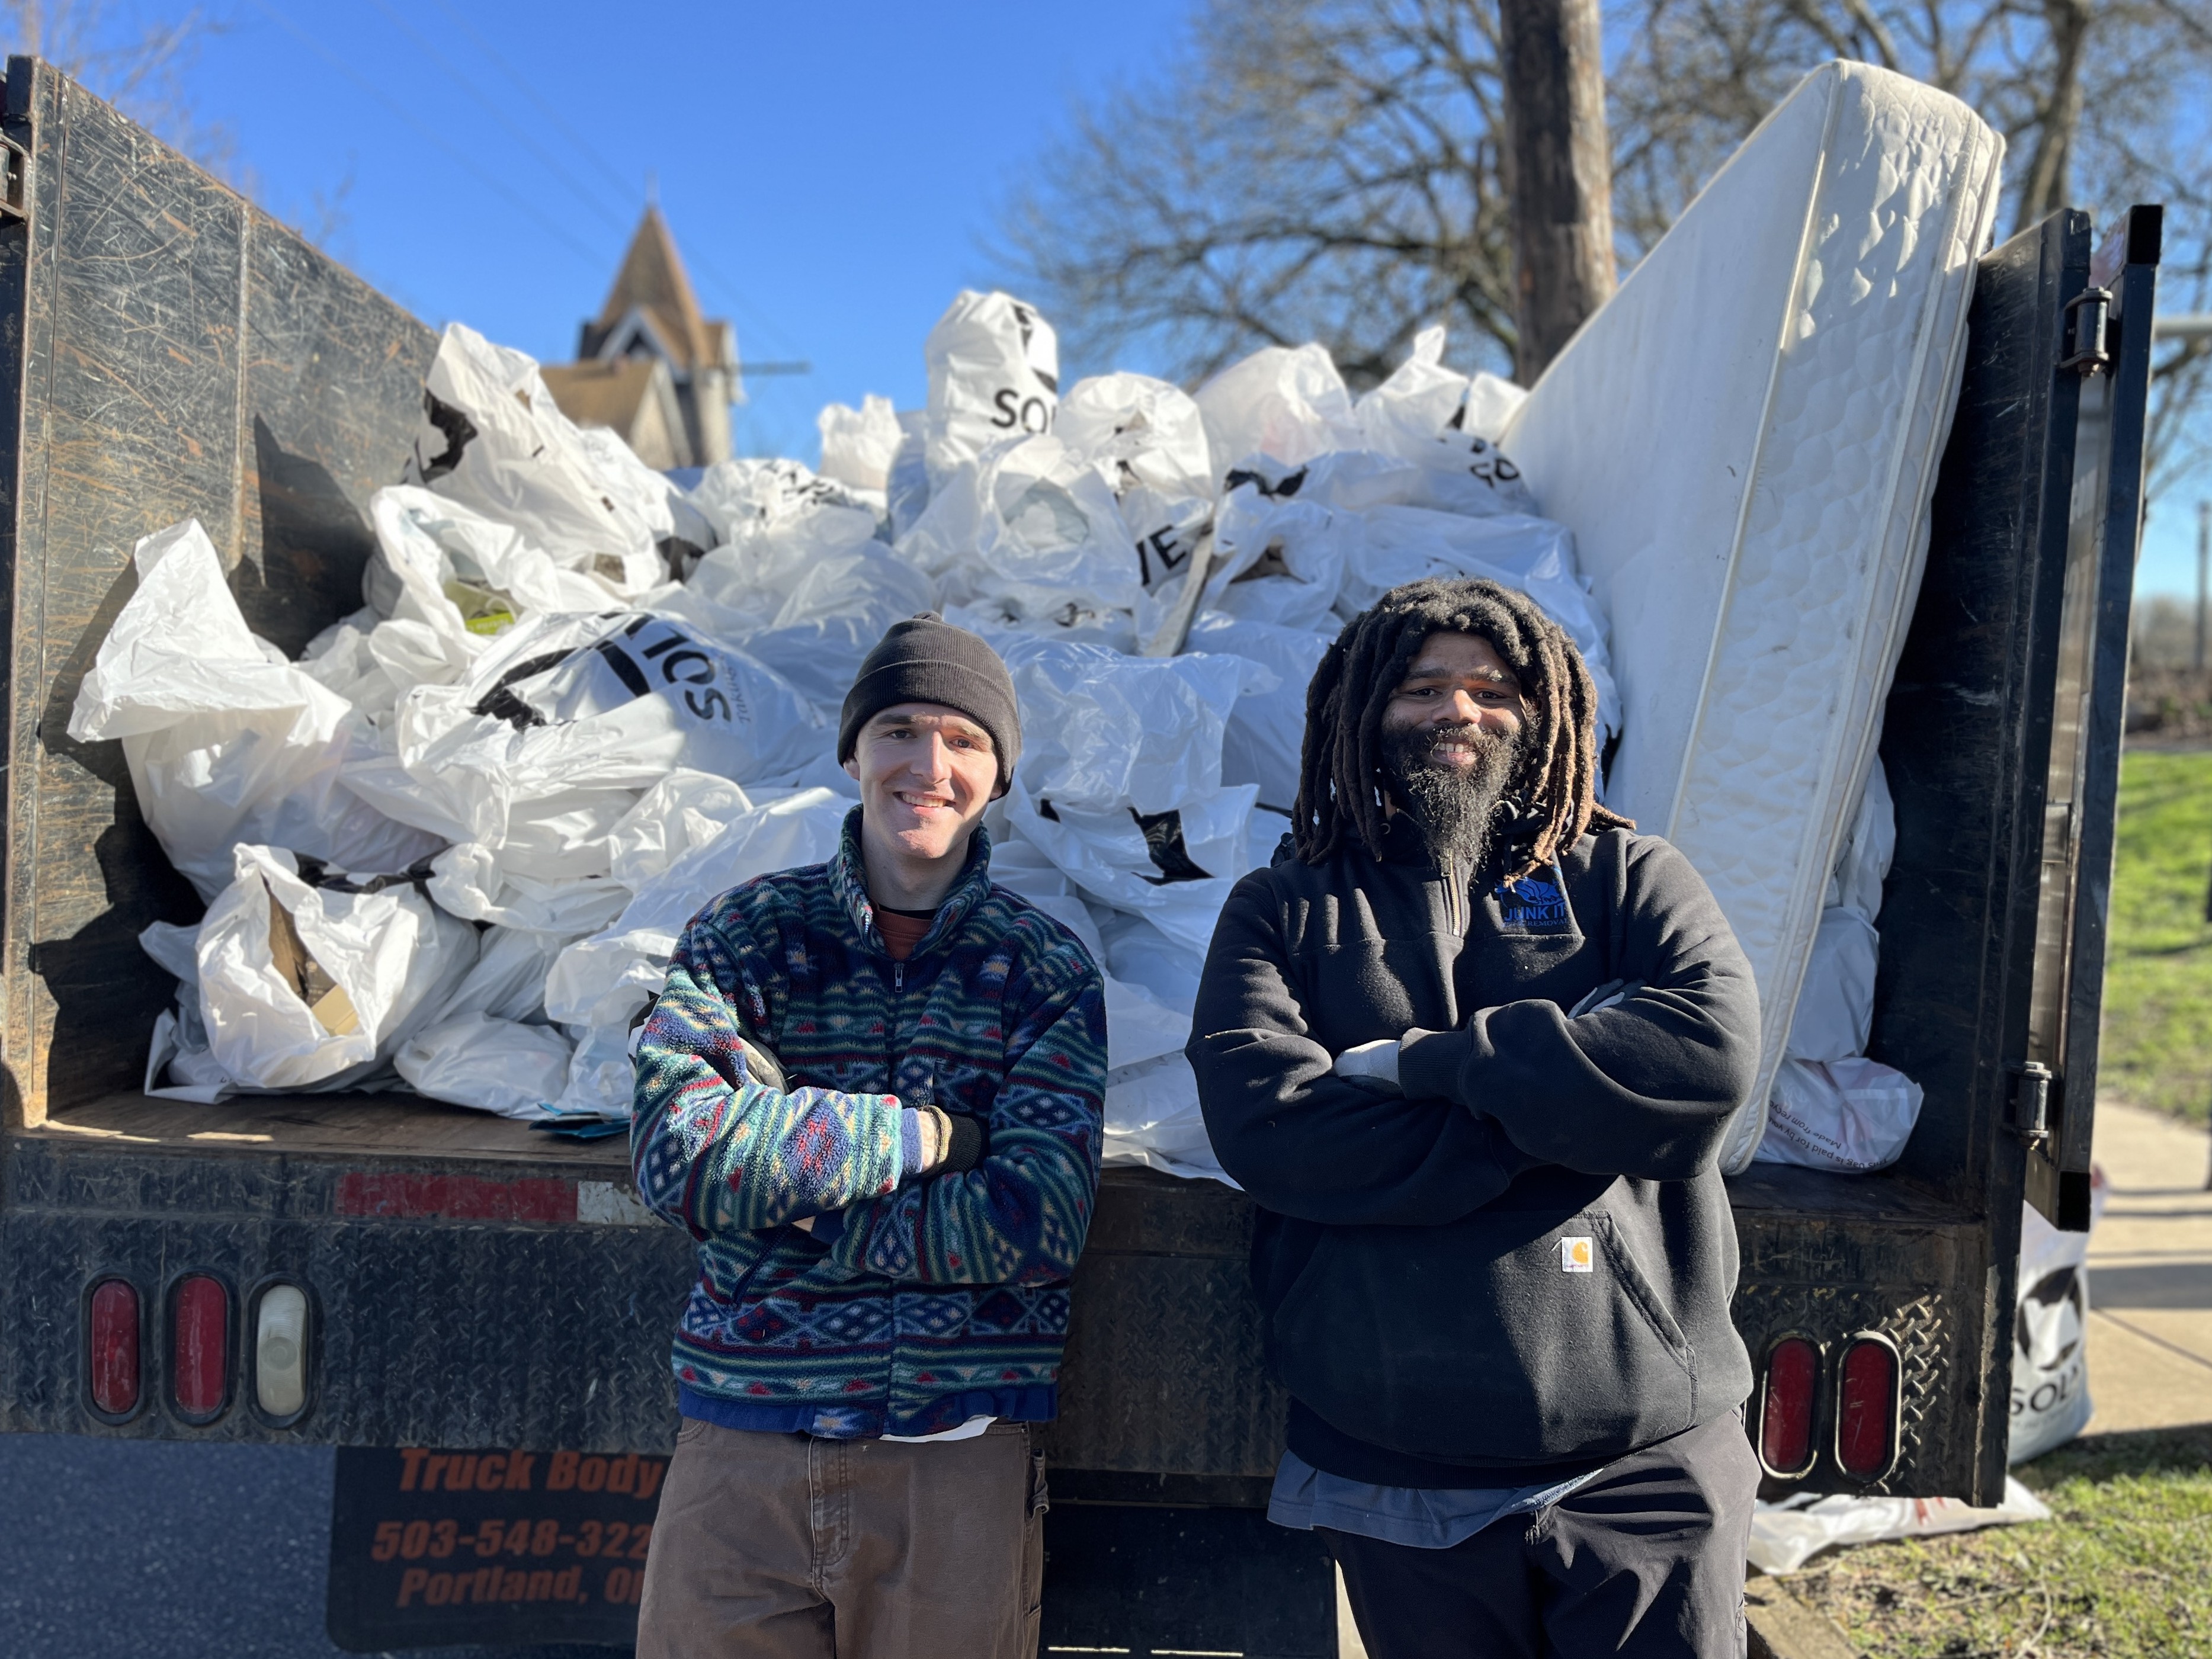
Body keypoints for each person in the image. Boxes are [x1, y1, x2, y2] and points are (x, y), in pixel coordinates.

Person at [1188, 576, 1764, 1658]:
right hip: (1395, 1466)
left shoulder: (1630, 875)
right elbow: (1273, 1131)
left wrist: (1420, 1067)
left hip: (1645, 1462)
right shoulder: (1285, 907)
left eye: (1492, 689)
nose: (1459, 709)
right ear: (1364, 713)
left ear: (1541, 714)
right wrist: (1576, 1112)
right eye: (1422, 687)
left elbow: (1705, 1062)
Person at [630, 613, 1107, 1659]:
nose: (927, 765)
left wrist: (787, 1208)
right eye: (898, 729)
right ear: (853, 750)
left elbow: (1034, 1224)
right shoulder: (744, 936)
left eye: (963, 739)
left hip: (955, 1451)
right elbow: (678, 1157)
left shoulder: (1043, 970)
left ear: (998, 775)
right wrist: (926, 1137)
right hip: (744, 1440)